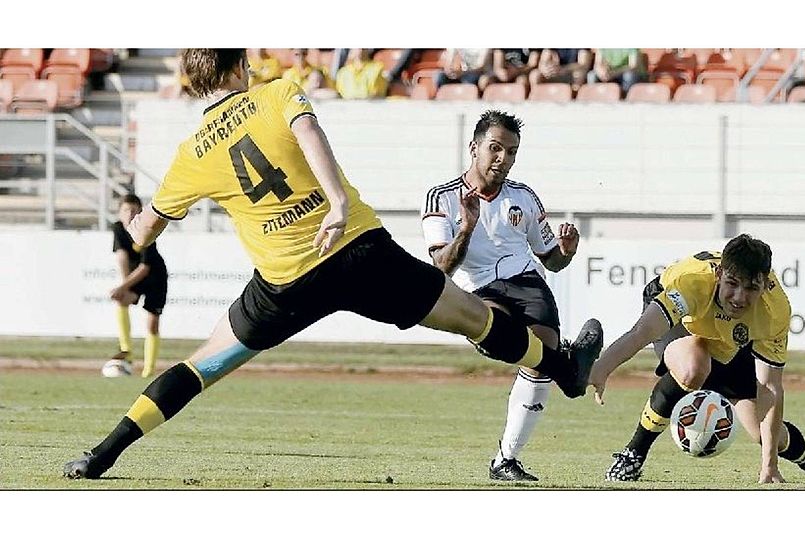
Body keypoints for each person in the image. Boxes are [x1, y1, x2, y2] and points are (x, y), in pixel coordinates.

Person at [63, 49, 602, 480]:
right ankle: (564, 369)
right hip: (359, 253)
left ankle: (104, 453)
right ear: (239, 69)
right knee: (474, 317)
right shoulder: (276, 93)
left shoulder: (190, 155)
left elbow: (146, 232)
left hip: (284, 283)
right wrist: (337, 204)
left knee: (202, 365)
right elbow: (309, 133)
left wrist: (135, 226)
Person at [588, 234, 805, 483]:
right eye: (732, 283)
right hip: (688, 323)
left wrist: (768, 465)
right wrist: (601, 368)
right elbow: (641, 333)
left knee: (762, 433)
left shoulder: (775, 312)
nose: (739, 297)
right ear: (720, 273)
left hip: (730, 342)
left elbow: (770, 388)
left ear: (765, 283)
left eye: (751, 288)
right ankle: (634, 452)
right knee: (693, 368)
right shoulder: (691, 285)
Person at [422, 110, 581, 482]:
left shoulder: (524, 197)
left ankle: (506, 459)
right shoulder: (441, 197)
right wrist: (467, 227)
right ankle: (571, 370)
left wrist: (567, 250)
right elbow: (441, 266)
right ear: (474, 148)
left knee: (540, 358)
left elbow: (551, 261)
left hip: (526, 282)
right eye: (495, 148)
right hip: (477, 289)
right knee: (504, 332)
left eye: (511, 152)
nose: (502, 159)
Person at [109, 193, 168, 378]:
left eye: (134, 210)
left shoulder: (145, 229)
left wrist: (123, 286)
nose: (130, 215)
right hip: (135, 277)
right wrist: (125, 285)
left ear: (141, 212)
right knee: (121, 299)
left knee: (152, 323)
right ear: (119, 213)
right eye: (126, 210)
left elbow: (145, 267)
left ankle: (148, 370)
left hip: (155, 278)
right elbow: (122, 257)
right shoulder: (118, 229)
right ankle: (127, 350)